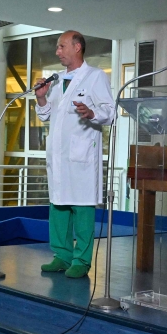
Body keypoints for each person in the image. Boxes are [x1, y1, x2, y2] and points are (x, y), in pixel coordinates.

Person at [34, 31, 114, 279]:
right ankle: (61, 255)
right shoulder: (57, 80)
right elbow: (46, 116)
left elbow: (110, 112)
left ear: (77, 47)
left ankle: (81, 259)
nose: (57, 52)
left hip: (81, 156)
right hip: (59, 156)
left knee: (82, 207)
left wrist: (91, 113)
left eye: (61, 46)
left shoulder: (95, 76)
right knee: (58, 204)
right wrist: (42, 98)